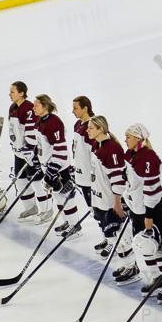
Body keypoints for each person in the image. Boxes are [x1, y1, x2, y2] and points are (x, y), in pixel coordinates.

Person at [122, 123, 162, 301]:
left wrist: (149, 216)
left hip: (152, 212)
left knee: (160, 249)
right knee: (145, 247)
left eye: (128, 136)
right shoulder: (130, 155)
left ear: (138, 139)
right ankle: (156, 278)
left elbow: (152, 189)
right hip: (137, 209)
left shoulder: (148, 157)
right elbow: (131, 184)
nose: (125, 140)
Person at [31, 94, 79, 226]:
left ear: (45, 106)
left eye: (37, 105)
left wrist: (53, 168)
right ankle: (67, 223)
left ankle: (74, 225)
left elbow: (60, 148)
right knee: (58, 197)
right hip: (48, 166)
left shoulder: (54, 122)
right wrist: (36, 157)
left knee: (65, 196)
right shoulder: (40, 120)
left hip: (59, 167)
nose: (33, 107)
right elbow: (41, 143)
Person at [85, 116, 128, 260]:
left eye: (91, 128)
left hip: (109, 198)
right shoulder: (96, 145)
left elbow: (118, 179)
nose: (88, 130)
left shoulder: (112, 149)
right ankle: (110, 241)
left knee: (113, 226)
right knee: (100, 219)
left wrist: (117, 202)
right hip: (98, 194)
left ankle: (117, 247)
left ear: (101, 129)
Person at [7, 81, 40, 221]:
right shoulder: (13, 108)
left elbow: (32, 132)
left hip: (30, 152)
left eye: (13, 91)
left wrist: (30, 149)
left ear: (21, 93)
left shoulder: (28, 108)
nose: (10, 94)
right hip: (19, 152)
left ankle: (47, 209)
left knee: (37, 181)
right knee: (20, 180)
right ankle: (30, 207)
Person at [70, 95, 99, 234]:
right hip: (82, 176)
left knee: (99, 211)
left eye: (75, 108)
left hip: (90, 179)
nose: (72, 111)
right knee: (93, 210)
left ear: (85, 108)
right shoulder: (78, 125)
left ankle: (116, 240)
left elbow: (96, 154)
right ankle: (108, 239)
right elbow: (77, 149)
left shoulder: (91, 127)